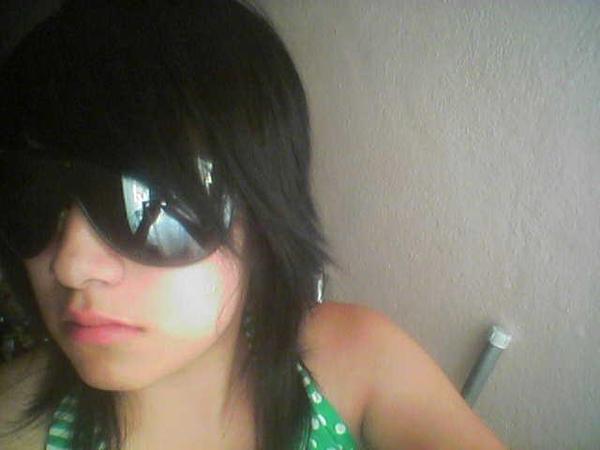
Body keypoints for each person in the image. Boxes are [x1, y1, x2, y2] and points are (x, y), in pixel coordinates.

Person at [0, 1, 509, 449]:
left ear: (262, 217)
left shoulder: (355, 360)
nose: (70, 265)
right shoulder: (12, 418)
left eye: (150, 201)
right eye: (32, 196)